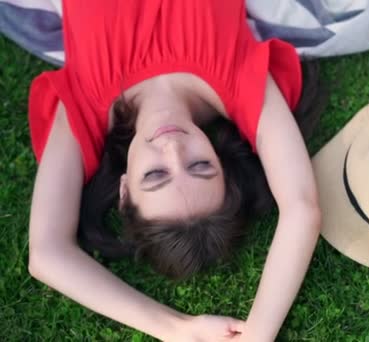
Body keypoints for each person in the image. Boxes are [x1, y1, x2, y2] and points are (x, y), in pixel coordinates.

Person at [27, 1, 325, 341]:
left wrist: (175, 328)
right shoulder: (240, 83)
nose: (172, 149)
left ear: (124, 191)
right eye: (200, 166)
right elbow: (301, 208)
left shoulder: (84, 108)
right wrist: (259, 335)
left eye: (155, 175)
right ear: (221, 163)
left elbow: (47, 253)